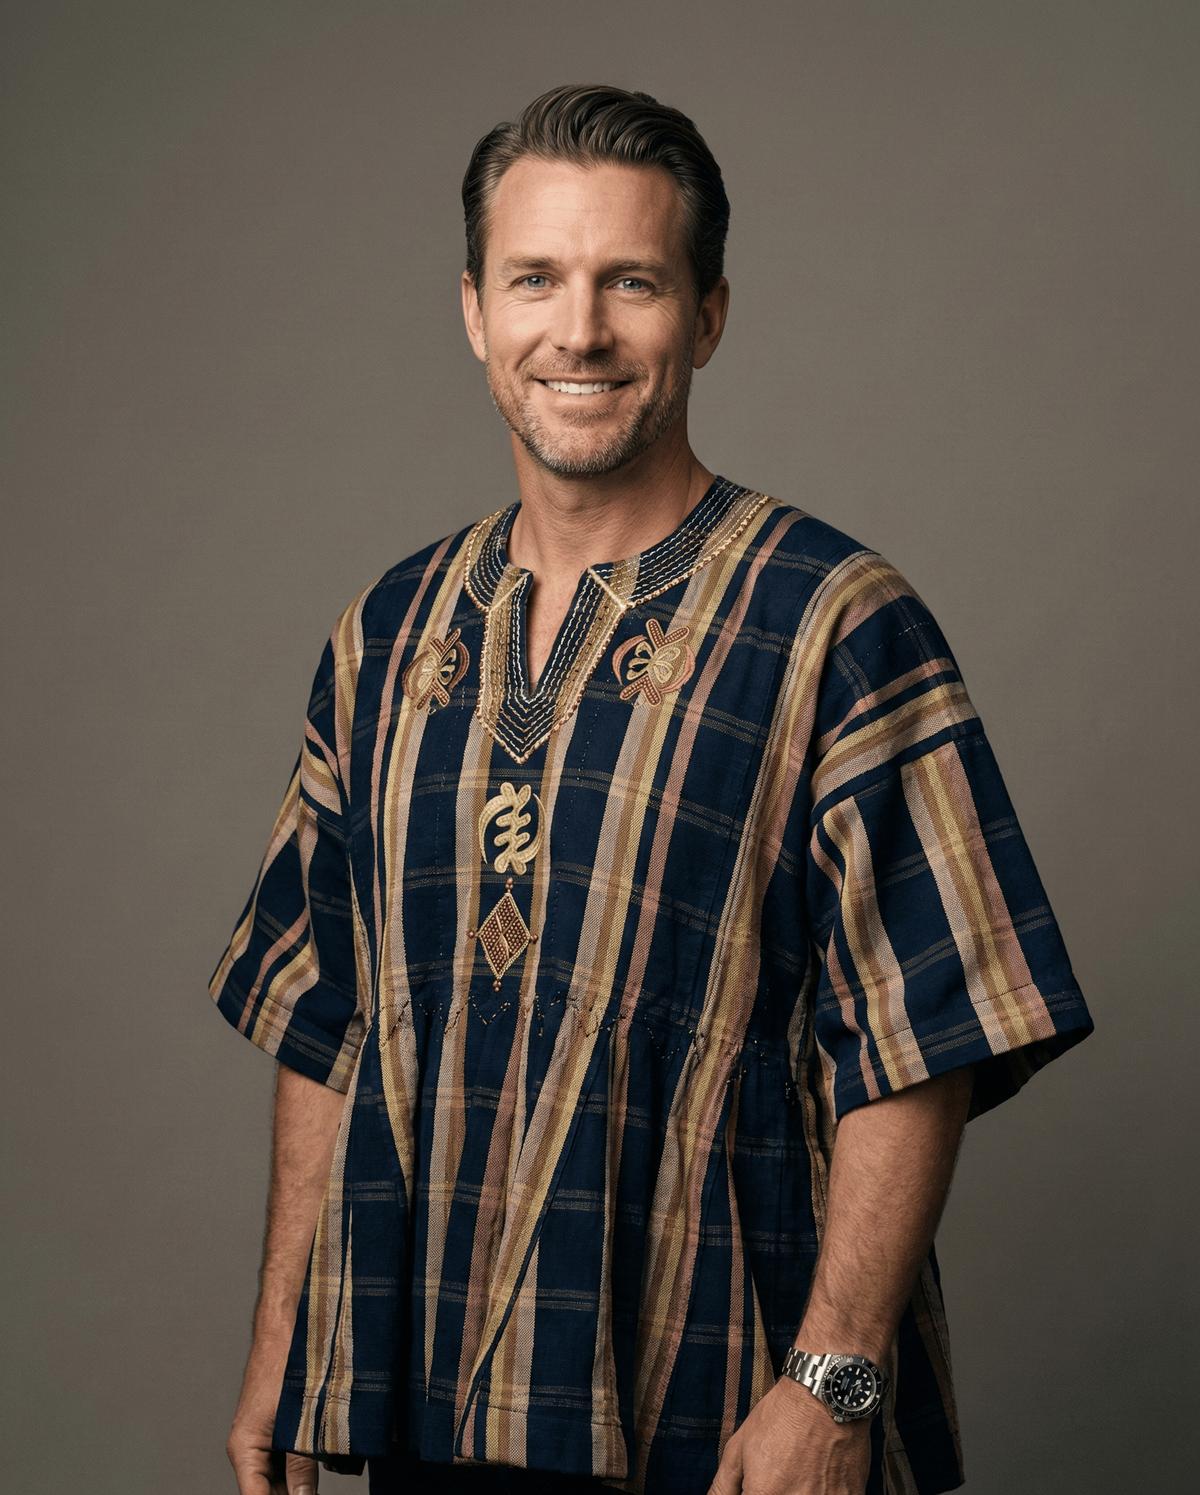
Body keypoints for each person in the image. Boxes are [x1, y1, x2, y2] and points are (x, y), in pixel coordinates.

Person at [208, 83, 1094, 1495]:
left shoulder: (836, 624)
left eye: (633, 280)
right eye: (536, 280)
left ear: (709, 314)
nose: (580, 331)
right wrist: (282, 1348)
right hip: (420, 1408)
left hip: (730, 1412)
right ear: (472, 311)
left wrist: (834, 1382)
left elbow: (925, 1034)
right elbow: (327, 1022)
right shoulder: (384, 635)